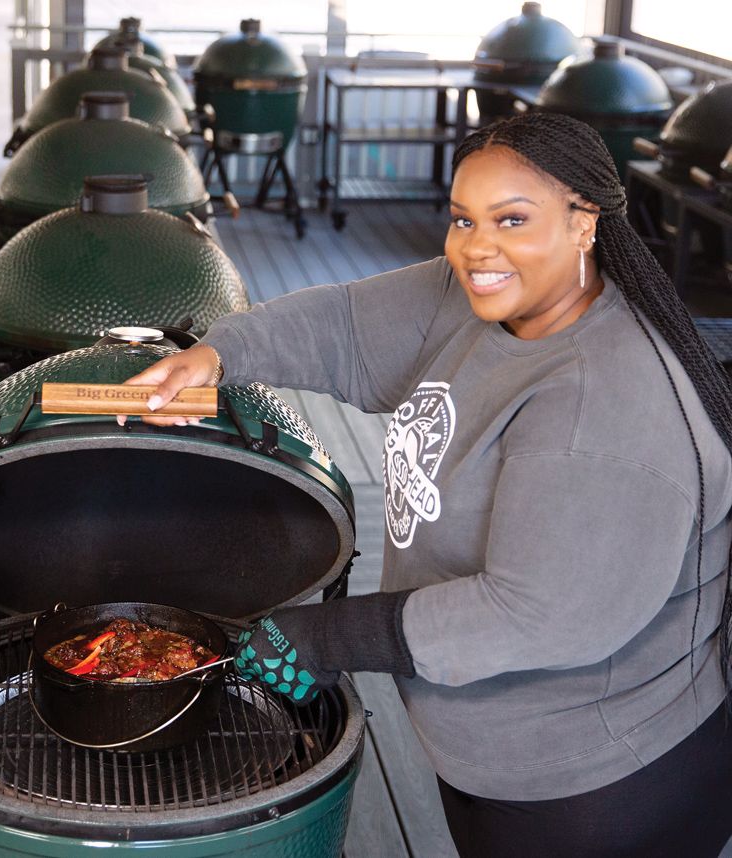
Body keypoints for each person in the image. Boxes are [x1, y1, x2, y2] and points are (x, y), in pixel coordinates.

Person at [122, 112, 732, 857]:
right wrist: (217, 357)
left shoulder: (604, 404)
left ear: (585, 224)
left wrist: (327, 636)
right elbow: (345, 325)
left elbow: (534, 616)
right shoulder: (482, 301)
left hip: (594, 790)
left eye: (513, 219)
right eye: (462, 219)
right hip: (490, 755)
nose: (478, 248)